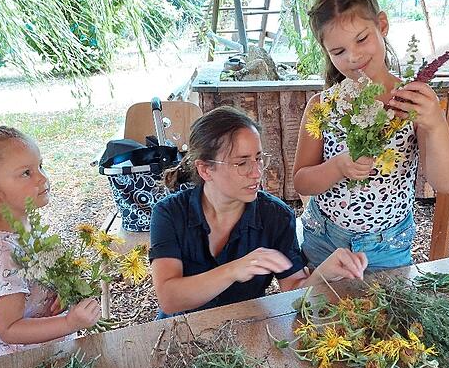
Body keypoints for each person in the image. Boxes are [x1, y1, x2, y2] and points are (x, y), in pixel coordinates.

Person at [293, 0, 449, 271]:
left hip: (387, 246)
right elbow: (301, 181)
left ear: (381, 25)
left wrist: (434, 124)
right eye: (338, 51)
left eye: (361, 39)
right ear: (326, 52)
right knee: (323, 314)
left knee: (386, 315)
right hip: (324, 241)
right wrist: (338, 167)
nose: (353, 57)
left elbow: (445, 183)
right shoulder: (322, 106)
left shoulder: (413, 102)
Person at [150, 106, 367, 317]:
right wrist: (234, 270)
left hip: (245, 328)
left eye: (259, 158)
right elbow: (169, 299)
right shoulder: (170, 214)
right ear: (205, 169)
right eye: (242, 163)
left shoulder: (275, 216)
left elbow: (293, 289)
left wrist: (323, 274)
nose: (256, 173)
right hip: (182, 328)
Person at [0, 126, 100, 357]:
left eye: (40, 166)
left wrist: (64, 291)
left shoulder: (30, 228)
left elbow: (48, 275)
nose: (43, 178)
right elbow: (9, 328)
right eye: (26, 173)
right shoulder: (2, 255)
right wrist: (69, 323)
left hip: (55, 357)